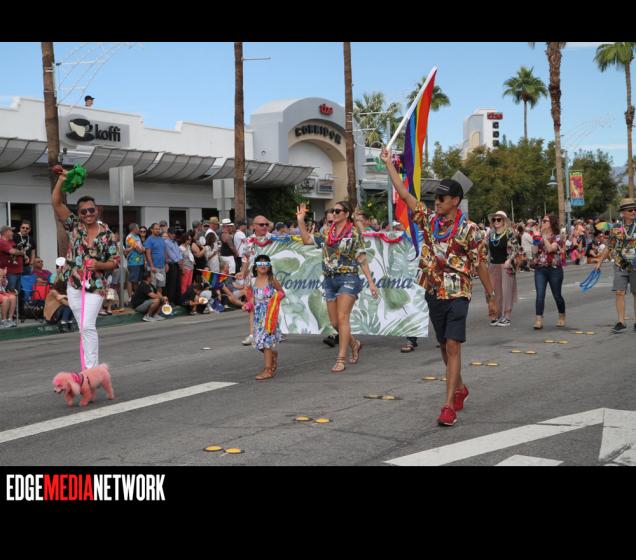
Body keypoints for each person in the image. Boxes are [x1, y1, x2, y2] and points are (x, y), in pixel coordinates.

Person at [381, 147, 498, 427]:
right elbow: (405, 195)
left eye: (442, 198)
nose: (436, 202)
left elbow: (480, 265)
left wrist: (491, 296)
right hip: (434, 291)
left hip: (459, 292)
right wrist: (388, 164)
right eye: (435, 197)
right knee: (444, 346)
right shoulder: (429, 221)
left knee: (453, 345)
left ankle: (447, 406)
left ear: (455, 201)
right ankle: (460, 387)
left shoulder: (471, 230)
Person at [297, 200, 379, 373]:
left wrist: (371, 283)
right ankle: (354, 343)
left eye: (337, 211)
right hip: (329, 280)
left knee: (343, 319)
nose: (333, 213)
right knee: (334, 323)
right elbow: (306, 240)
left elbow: (362, 259)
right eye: (332, 211)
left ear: (347, 214)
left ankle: (341, 359)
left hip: (348, 279)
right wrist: (300, 220)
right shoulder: (327, 232)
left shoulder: (354, 233)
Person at [51, 169, 117, 369]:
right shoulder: (74, 225)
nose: (88, 214)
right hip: (74, 284)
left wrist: (99, 265)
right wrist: (62, 179)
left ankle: (91, 371)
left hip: (96, 285)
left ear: (97, 210)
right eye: (83, 211)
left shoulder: (107, 234)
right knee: (83, 328)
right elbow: (56, 203)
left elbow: (114, 262)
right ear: (78, 213)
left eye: (91, 210)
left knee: (87, 325)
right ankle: (90, 369)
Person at [595, 197, 636, 333]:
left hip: (635, 265)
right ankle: (621, 322)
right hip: (620, 264)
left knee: (635, 293)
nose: (633, 212)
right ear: (623, 213)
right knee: (619, 292)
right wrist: (599, 261)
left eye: (635, 209)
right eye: (630, 210)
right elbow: (609, 246)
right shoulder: (616, 228)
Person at [242, 254, 285, 380]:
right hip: (258, 317)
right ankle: (272, 355)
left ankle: (268, 370)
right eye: (260, 263)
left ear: (269, 266)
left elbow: (282, 293)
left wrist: (275, 298)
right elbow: (252, 298)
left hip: (270, 315)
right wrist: (248, 305)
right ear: (255, 267)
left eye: (266, 263)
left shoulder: (272, 280)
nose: (263, 265)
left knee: (266, 342)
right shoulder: (253, 281)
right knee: (257, 342)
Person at [482, 211, 521, 327]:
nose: (496, 221)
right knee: (492, 291)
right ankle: (495, 314)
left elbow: (516, 248)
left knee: (506, 291)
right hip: (493, 265)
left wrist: (509, 260)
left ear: (504, 221)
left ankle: (507, 316)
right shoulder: (490, 234)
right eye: (494, 220)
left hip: (505, 265)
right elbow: (486, 249)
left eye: (499, 219)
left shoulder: (509, 233)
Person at [240, 214, 274, 346]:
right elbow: (245, 259)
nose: (264, 227)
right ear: (254, 226)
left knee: (271, 305)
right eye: (261, 225)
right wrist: (242, 273)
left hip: (269, 279)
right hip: (253, 279)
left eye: (266, 224)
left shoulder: (274, 239)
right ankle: (252, 334)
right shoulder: (248, 241)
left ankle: (274, 331)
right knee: (252, 306)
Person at [531, 214, 566, 330]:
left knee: (557, 295)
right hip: (540, 268)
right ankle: (538, 320)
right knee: (540, 295)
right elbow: (534, 251)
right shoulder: (539, 236)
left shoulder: (558, 237)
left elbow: (551, 249)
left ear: (551, 223)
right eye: (542, 220)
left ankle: (562, 315)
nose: (542, 222)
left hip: (554, 269)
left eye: (545, 221)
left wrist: (544, 237)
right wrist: (536, 238)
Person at [144, 223, 169, 296]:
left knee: (160, 286)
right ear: (152, 230)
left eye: (159, 229)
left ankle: (160, 300)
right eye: (156, 229)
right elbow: (148, 254)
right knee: (153, 286)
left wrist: (166, 264)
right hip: (154, 267)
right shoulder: (149, 240)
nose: (158, 230)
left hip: (162, 266)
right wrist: (152, 266)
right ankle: (154, 301)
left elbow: (164, 252)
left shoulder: (161, 239)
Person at [0, 225, 24, 293]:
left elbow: (16, 250)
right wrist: (21, 253)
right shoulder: (2, 242)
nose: (13, 233)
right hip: (10, 272)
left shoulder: (11, 241)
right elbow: (13, 251)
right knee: (11, 292)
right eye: (11, 231)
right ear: (6, 232)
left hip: (18, 271)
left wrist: (23, 255)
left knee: (16, 292)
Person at [125, 223, 145, 303]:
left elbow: (141, 247)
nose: (139, 229)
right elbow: (139, 250)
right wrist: (142, 250)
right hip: (133, 262)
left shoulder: (137, 236)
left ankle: (136, 296)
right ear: (134, 229)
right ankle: (130, 297)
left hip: (140, 262)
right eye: (137, 228)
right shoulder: (130, 237)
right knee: (131, 279)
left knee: (137, 280)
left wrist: (142, 249)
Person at [164, 227, 183, 305]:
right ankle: (171, 301)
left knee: (178, 283)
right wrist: (178, 261)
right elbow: (170, 254)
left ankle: (177, 300)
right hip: (172, 264)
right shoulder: (166, 242)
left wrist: (180, 260)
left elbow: (179, 252)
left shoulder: (175, 242)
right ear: (168, 234)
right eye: (172, 233)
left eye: (174, 233)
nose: (174, 235)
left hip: (177, 264)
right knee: (172, 284)